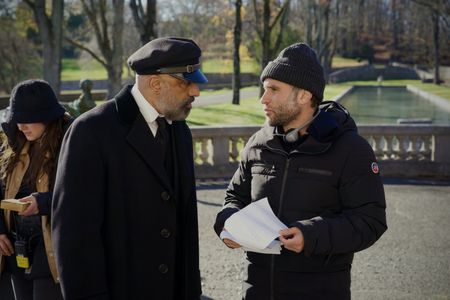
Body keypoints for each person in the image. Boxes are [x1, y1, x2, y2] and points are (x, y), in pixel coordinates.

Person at [214, 43, 387, 299]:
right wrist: (227, 226)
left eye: (274, 89)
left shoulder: (351, 149)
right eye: (264, 89)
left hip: (320, 291)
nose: (264, 98)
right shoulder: (257, 143)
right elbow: (234, 198)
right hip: (256, 289)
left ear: (304, 95)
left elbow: (370, 221)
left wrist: (310, 235)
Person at [52, 37, 208, 300]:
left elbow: (186, 230)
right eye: (187, 82)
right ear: (155, 83)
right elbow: (74, 239)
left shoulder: (179, 131)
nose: (196, 91)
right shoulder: (91, 132)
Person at [0, 79, 71, 300]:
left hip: (51, 252)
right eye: (17, 119)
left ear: (46, 114)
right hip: (16, 251)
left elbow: (82, 194)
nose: (21, 126)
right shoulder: (14, 143)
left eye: (27, 119)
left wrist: (43, 202)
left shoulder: (71, 142)